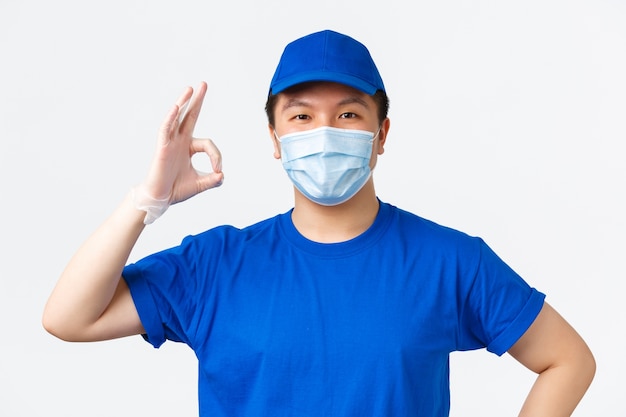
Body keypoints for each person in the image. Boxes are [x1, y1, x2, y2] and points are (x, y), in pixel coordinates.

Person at [43, 29, 595, 416]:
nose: (324, 132)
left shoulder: (448, 261)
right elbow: (69, 318)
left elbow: (568, 360)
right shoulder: (214, 266)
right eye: (302, 116)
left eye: (349, 114)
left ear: (381, 135)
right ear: (275, 138)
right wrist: (148, 200)